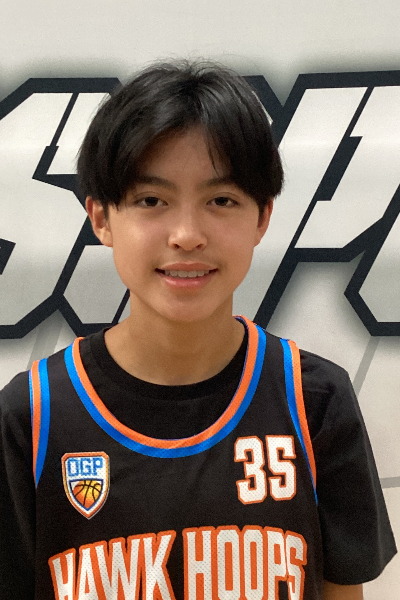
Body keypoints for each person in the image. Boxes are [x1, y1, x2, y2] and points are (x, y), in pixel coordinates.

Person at [0, 60, 396, 600]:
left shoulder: (315, 400)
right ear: (101, 218)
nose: (187, 235)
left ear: (262, 218)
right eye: (151, 201)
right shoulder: (32, 416)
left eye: (220, 200)